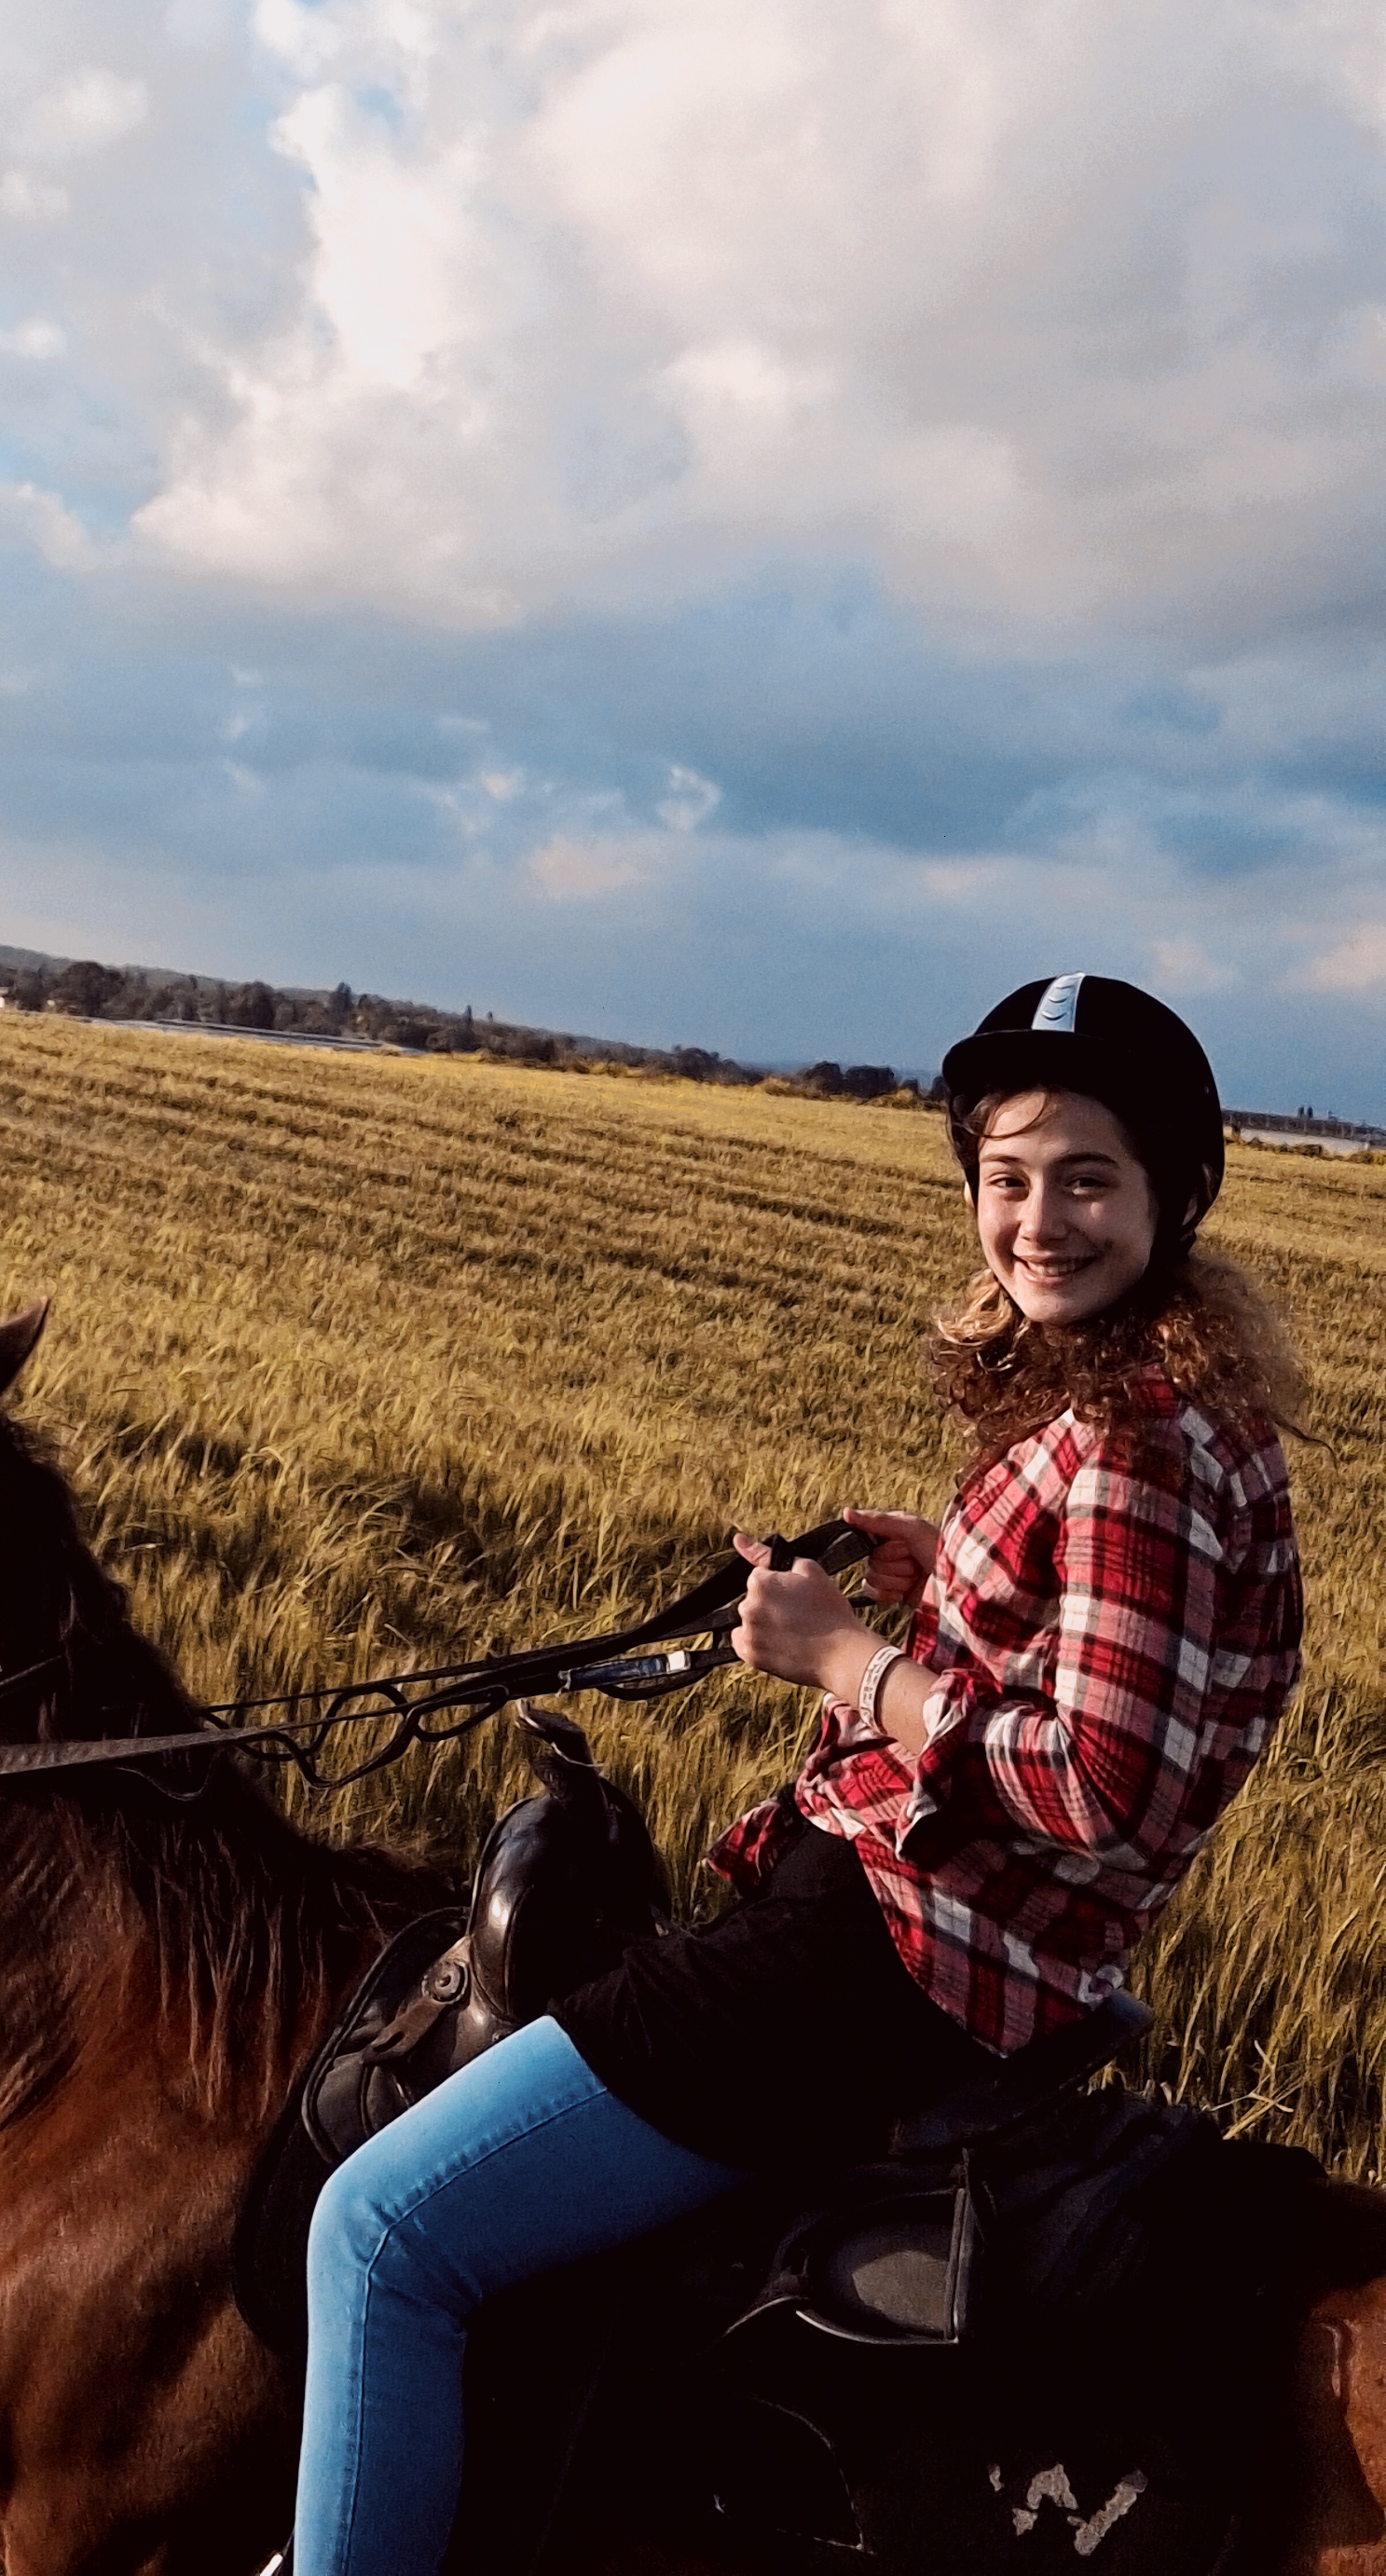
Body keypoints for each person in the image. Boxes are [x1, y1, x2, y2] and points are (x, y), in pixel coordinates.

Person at [293, 972, 1304, 2576]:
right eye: (1006, 1176)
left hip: (890, 1954)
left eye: (1087, 1178)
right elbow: (1130, 1658)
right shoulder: (1180, 1411)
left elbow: (1104, 1778)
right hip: (979, 1958)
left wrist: (850, 1663)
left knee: (379, 2229)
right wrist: (956, 1576)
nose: (1038, 1220)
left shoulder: (1131, 1440)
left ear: (1172, 1194)